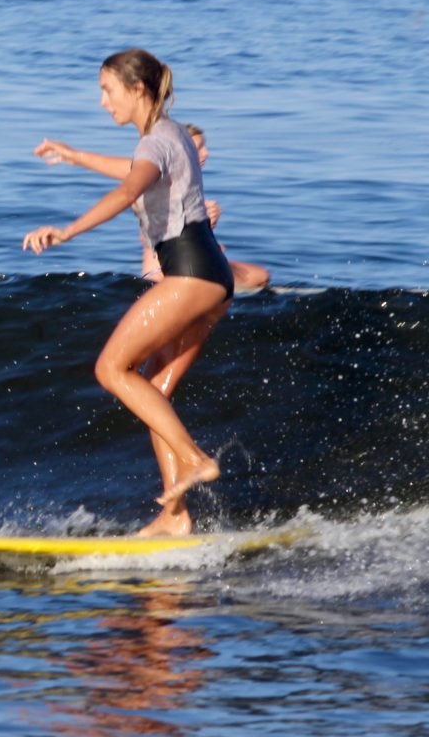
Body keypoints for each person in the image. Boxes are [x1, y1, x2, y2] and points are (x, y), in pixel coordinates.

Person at [23, 49, 232, 537]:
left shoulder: (154, 142)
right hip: (213, 275)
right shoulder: (170, 134)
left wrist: (67, 232)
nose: (102, 102)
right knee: (154, 393)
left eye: (107, 91)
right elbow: (135, 170)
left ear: (137, 90)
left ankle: (197, 459)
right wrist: (75, 156)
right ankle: (175, 517)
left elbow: (128, 190)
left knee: (111, 369)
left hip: (189, 275)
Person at [140, 125, 270, 292]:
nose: (206, 153)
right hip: (166, 274)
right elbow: (150, 235)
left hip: (183, 267)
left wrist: (206, 229)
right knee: (259, 276)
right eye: (198, 148)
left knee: (258, 275)